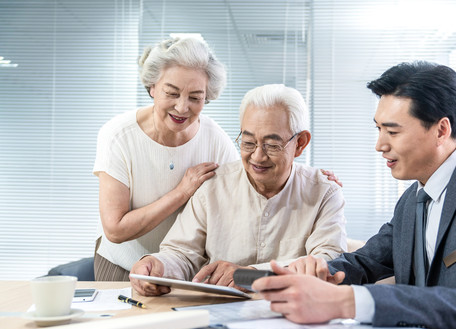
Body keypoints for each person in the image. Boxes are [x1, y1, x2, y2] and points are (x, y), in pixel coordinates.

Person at [253, 62, 456, 329]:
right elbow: (363, 263)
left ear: (441, 130)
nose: (379, 145)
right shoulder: (412, 201)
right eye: (378, 129)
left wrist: (345, 301)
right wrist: (319, 272)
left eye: (392, 131)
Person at [130, 84, 347, 296]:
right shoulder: (212, 186)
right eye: (248, 142)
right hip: (217, 312)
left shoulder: (324, 192)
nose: (258, 157)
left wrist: (251, 275)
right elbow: (182, 253)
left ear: (300, 143)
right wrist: (157, 265)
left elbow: (328, 261)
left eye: (272, 145)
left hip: (291, 313)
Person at [93, 37, 239, 281]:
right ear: (152, 87)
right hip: (123, 266)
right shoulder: (118, 136)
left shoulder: (217, 141)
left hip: (186, 271)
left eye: (195, 97)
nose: (182, 107)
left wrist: (309, 181)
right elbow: (115, 229)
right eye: (172, 93)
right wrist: (182, 192)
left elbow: (243, 205)